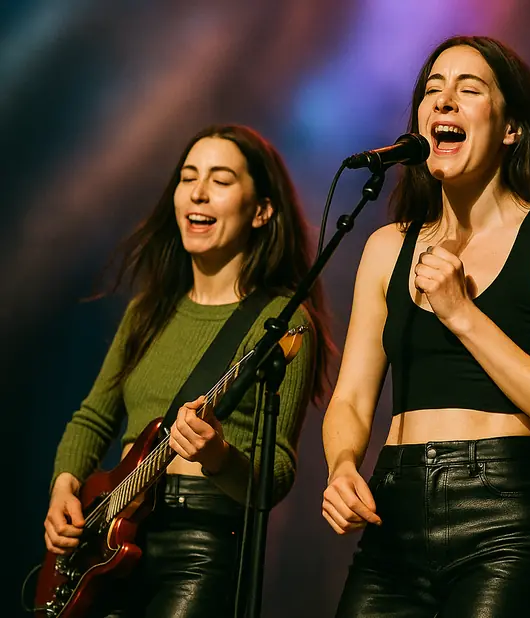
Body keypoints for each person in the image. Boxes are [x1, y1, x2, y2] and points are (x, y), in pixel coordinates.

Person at [322, 35, 530, 618]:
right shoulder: (388, 247)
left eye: (468, 90)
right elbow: (353, 399)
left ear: (511, 127)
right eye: (432, 90)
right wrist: (340, 466)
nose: (444, 102)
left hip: (503, 519)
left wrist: (462, 314)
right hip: (395, 511)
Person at [42, 124, 335, 617]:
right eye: (188, 177)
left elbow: (277, 474)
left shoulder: (281, 324)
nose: (197, 193)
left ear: (262, 210)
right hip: (109, 540)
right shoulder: (147, 310)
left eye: (221, 180)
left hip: (202, 547)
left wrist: (218, 455)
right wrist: (64, 485)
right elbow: (93, 417)